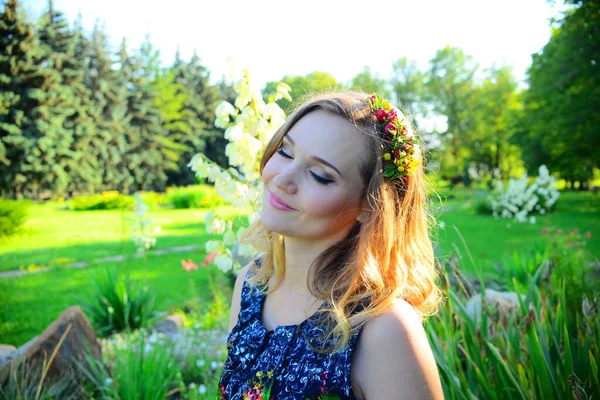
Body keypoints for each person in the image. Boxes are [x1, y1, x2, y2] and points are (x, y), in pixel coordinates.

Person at [217, 92, 444, 399]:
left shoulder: (383, 329)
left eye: (320, 175)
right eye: (285, 151)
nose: (283, 178)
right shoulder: (251, 285)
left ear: (370, 206)